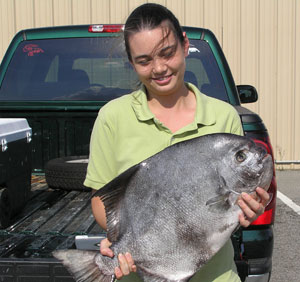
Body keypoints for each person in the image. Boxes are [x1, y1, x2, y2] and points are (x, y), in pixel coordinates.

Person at [83, 3, 270, 281]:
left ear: (184, 45)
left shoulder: (223, 116)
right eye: (144, 60)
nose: (159, 68)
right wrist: (120, 239)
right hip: (138, 273)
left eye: (167, 53)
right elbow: (103, 200)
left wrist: (250, 211)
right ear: (132, 63)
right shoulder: (113, 117)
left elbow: (230, 209)